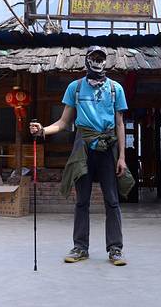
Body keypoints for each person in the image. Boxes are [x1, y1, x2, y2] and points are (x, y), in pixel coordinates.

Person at [30, 45, 134, 266]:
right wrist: (42, 131)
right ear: (87, 60)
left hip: (108, 148)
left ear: (105, 61)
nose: (97, 61)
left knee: (112, 200)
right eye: (93, 57)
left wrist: (122, 157)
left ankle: (115, 249)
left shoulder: (115, 88)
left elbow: (119, 124)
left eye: (101, 58)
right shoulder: (75, 88)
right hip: (82, 148)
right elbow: (63, 122)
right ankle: (80, 248)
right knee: (82, 200)